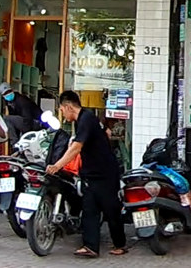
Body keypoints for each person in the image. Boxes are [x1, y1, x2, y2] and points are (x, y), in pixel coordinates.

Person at [46, 90, 127, 258]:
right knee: (89, 210)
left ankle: (120, 244)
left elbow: (76, 147)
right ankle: (91, 246)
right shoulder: (84, 119)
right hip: (90, 173)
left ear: (69, 107)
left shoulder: (86, 119)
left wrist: (57, 165)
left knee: (111, 209)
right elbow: (105, 134)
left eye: (62, 109)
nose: (62, 113)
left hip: (105, 172)